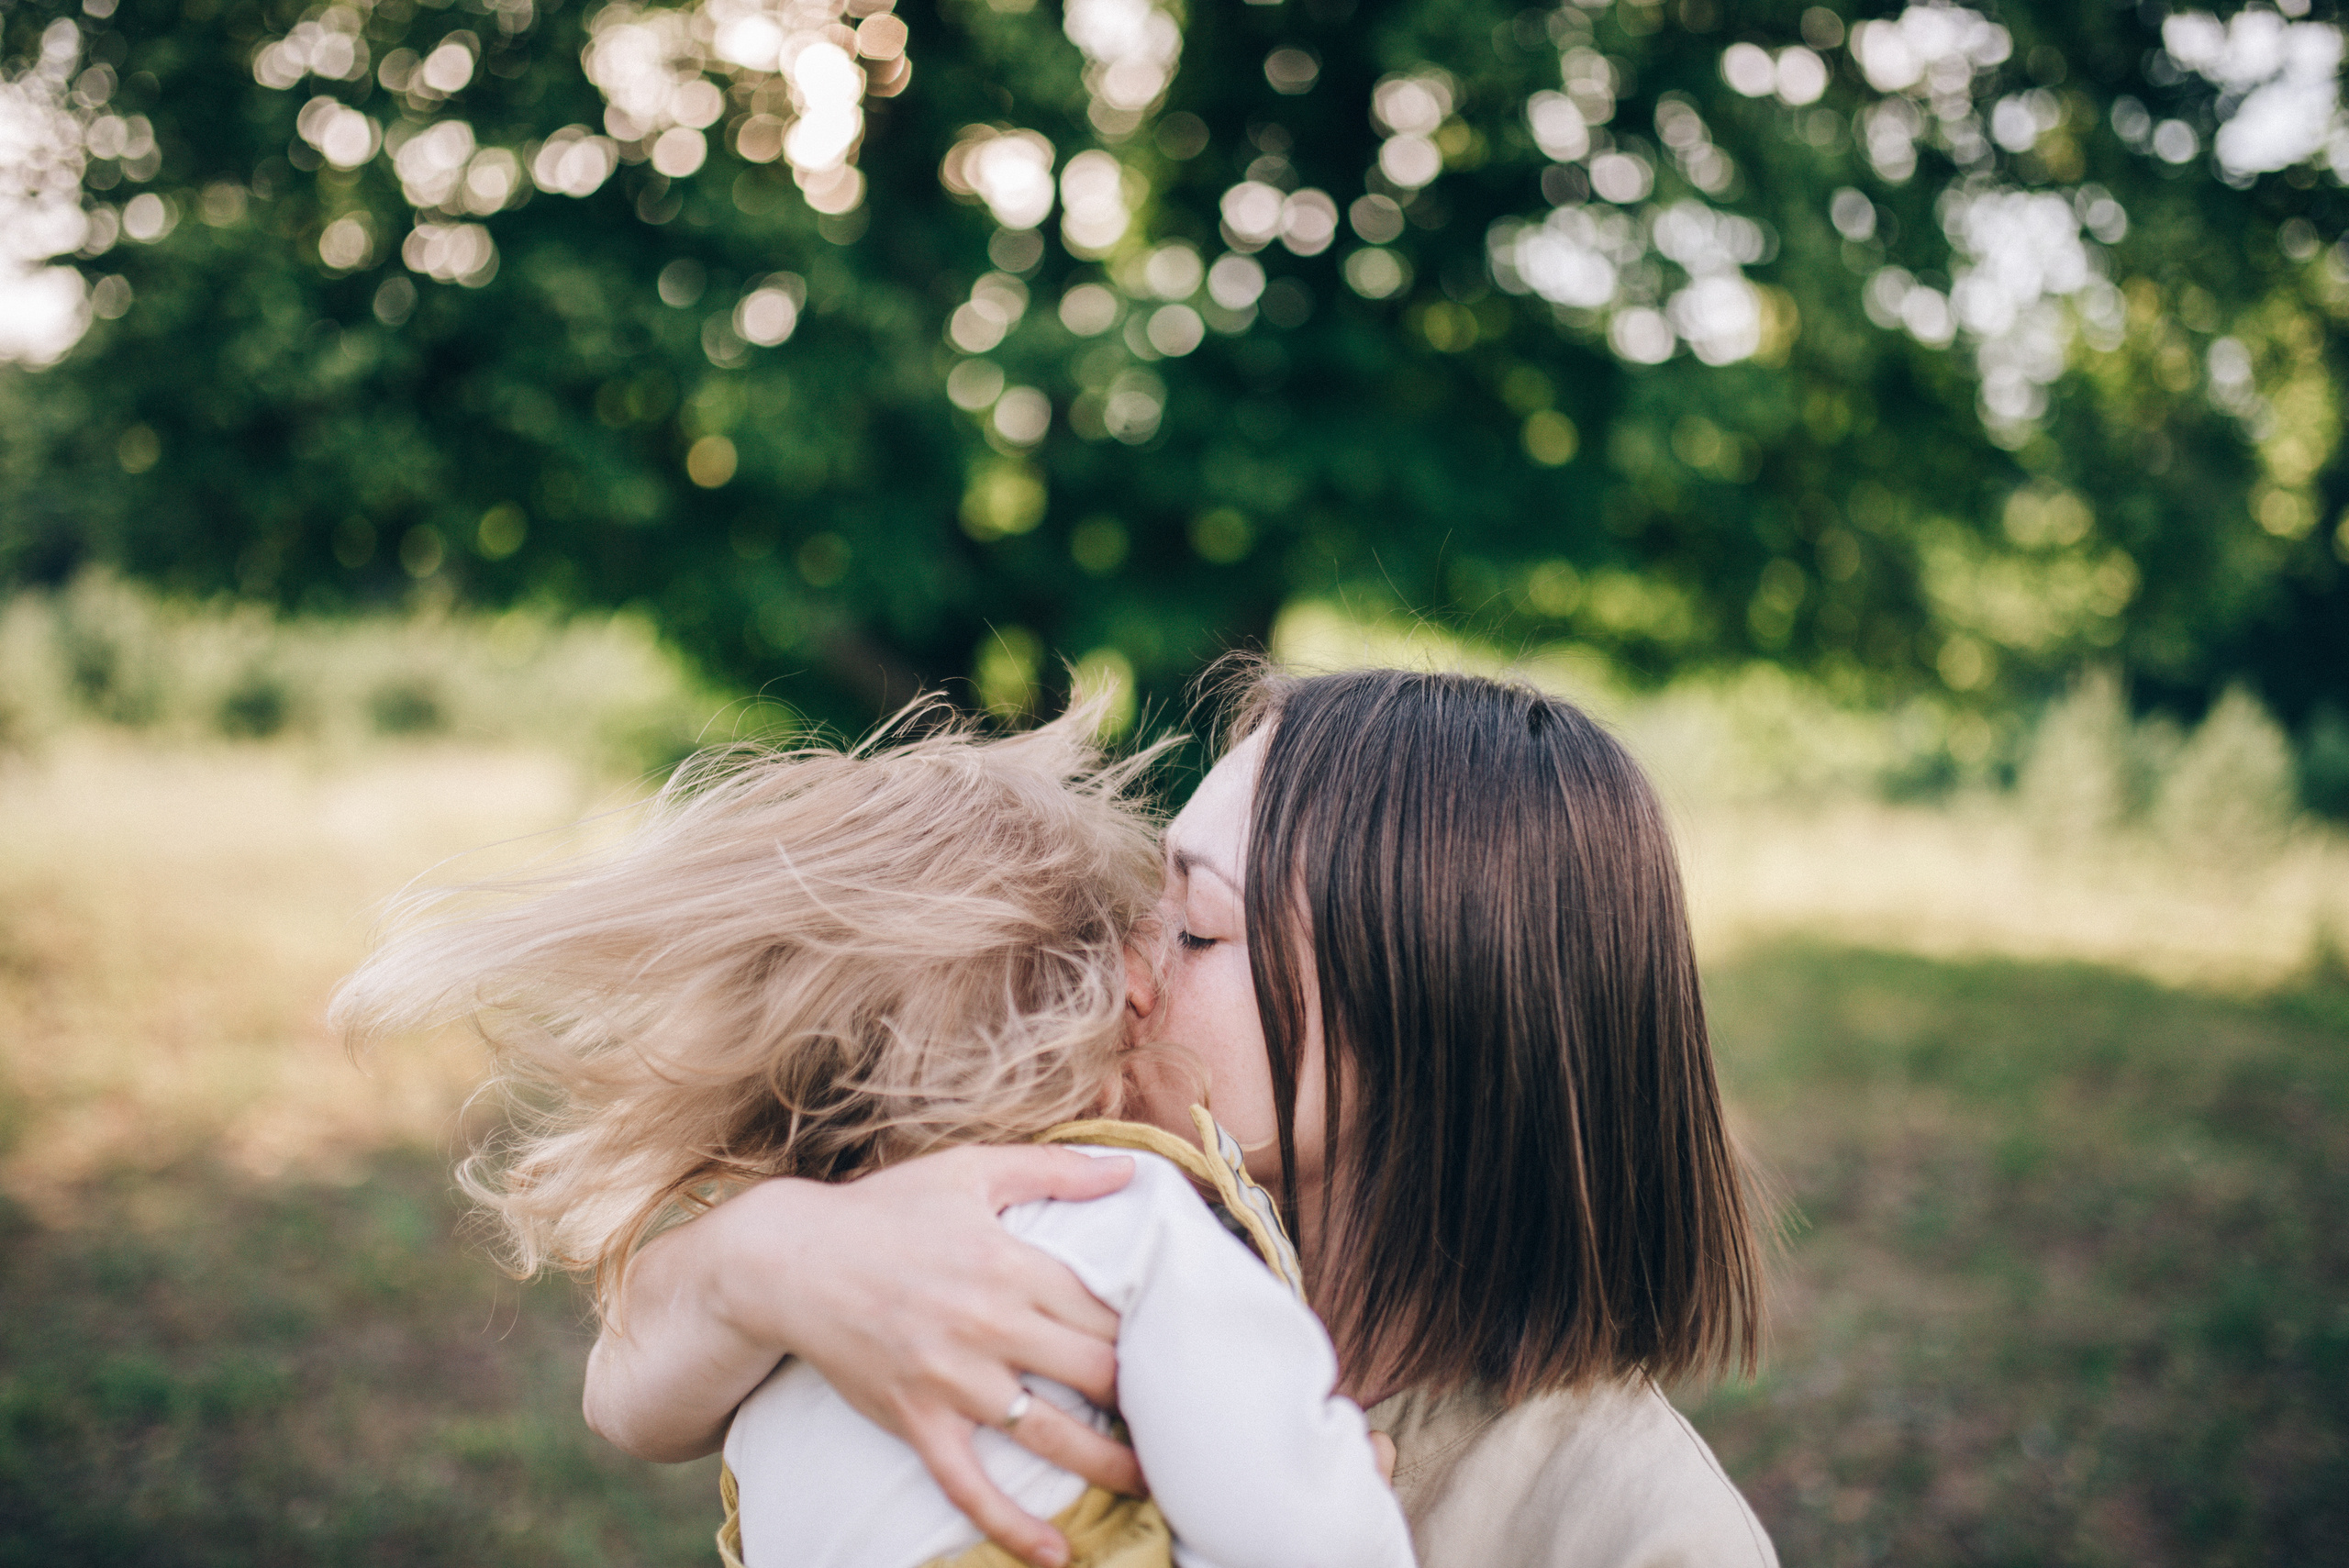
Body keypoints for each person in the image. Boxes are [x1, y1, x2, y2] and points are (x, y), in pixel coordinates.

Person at [585, 665, 1780, 1568]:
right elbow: (629, 1392)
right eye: (1152, 889)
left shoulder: (1629, 1522)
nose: (1126, 961)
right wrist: (770, 1257)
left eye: (1198, 927)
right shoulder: (1053, 1201)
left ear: (1429, 1030)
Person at [330, 704, 1414, 1568]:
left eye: (1195, 924)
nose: (1148, 969)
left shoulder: (830, 1256)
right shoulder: (1120, 1213)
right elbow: (1302, 1535)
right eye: (1145, 918)